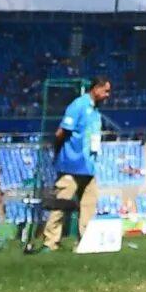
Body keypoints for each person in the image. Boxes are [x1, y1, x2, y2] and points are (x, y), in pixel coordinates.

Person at [40, 76, 111, 252]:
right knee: (61, 204)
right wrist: (61, 153)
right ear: (96, 89)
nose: (107, 95)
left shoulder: (96, 112)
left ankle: (85, 242)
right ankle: (50, 242)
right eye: (106, 91)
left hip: (89, 166)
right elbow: (61, 132)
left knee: (89, 205)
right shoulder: (78, 105)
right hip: (71, 165)